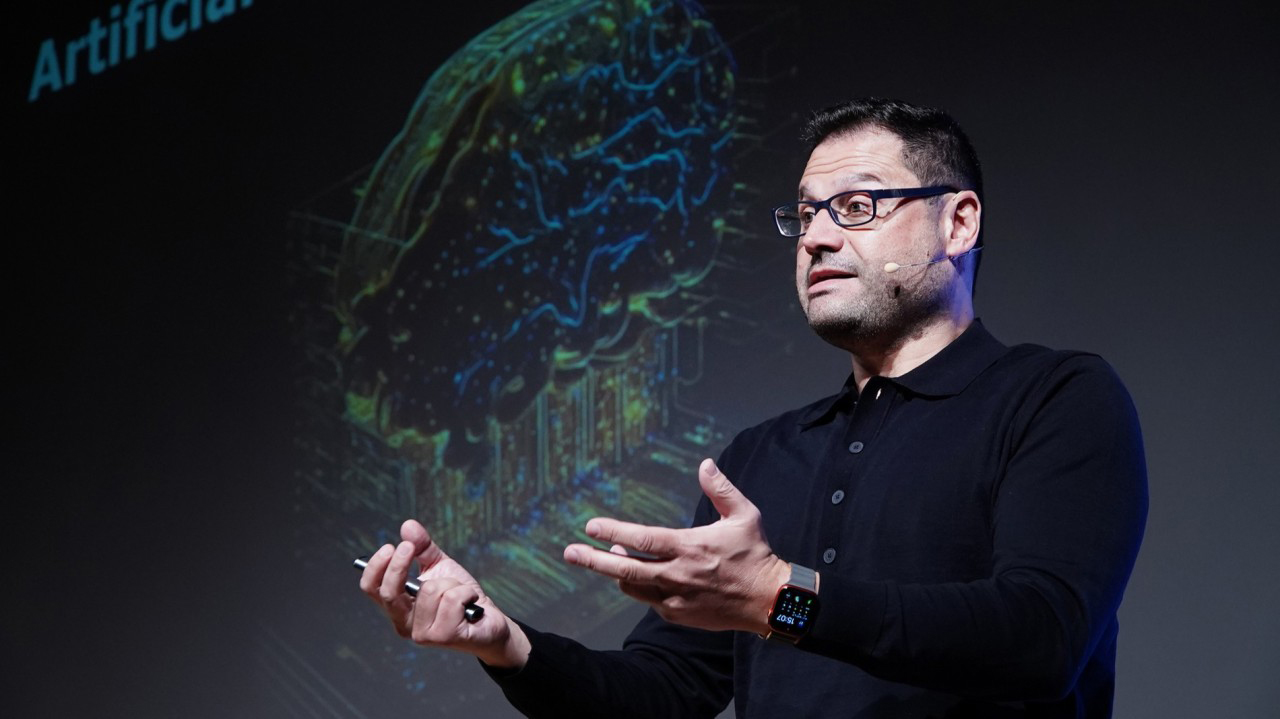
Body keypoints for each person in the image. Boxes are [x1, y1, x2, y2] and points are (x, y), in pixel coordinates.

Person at [357, 97, 1148, 718]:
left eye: (857, 206)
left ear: (959, 221)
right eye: (805, 214)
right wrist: (504, 642)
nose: (816, 238)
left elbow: (1040, 636)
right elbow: (663, 692)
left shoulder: (1055, 397)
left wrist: (779, 595)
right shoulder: (761, 458)